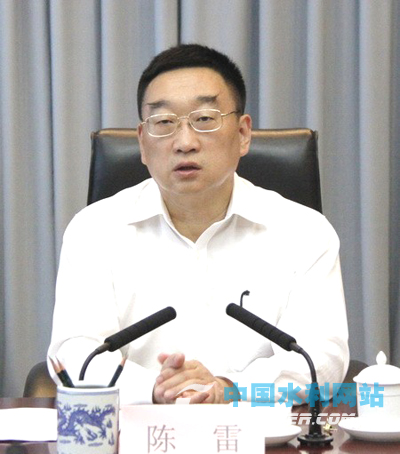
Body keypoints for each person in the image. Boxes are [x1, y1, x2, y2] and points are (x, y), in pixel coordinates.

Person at [48, 44, 349, 405]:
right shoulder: (94, 230)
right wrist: (155, 389)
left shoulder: (304, 232)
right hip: (137, 427)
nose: (185, 142)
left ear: (243, 134)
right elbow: (74, 351)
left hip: (258, 429)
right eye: (164, 122)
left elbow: (322, 359)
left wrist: (229, 389)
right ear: (142, 142)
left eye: (205, 119)